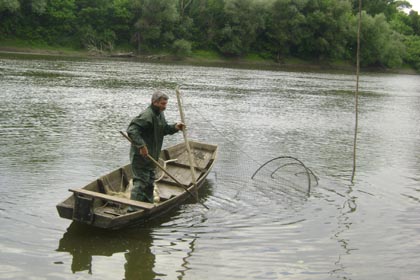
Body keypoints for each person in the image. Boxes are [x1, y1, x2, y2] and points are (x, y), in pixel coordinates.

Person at [127, 91, 184, 204]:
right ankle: (133, 209)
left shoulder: (159, 114)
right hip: (141, 156)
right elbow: (132, 130)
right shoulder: (147, 115)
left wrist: (176, 127)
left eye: (165, 104)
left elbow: (164, 129)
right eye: (163, 104)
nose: (165, 107)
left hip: (152, 155)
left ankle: (148, 204)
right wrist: (142, 146)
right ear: (155, 102)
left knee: (149, 182)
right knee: (141, 182)